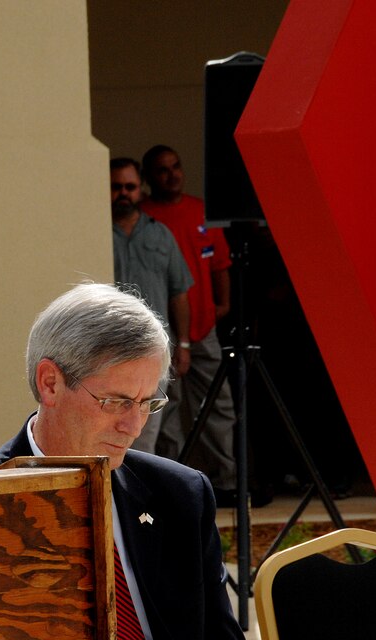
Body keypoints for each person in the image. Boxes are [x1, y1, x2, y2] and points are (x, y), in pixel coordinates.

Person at [0, 283, 295, 640]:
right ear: (50, 383)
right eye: (117, 401)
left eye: (149, 402)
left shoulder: (180, 494)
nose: (135, 425)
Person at [139, 144, 238, 505]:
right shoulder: (144, 218)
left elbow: (220, 265)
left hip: (204, 329)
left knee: (219, 405)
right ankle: (169, 483)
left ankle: (226, 481)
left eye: (176, 166)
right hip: (159, 335)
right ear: (149, 177)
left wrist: (223, 304)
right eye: (162, 170)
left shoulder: (201, 212)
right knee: (163, 410)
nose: (172, 174)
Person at [109, 157, 192, 454]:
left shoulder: (161, 234)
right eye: (116, 187)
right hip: (109, 349)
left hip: (157, 350)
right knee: (120, 428)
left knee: (159, 429)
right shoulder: (96, 233)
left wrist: (183, 344)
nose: (123, 193)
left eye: (130, 187)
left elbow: (179, 292)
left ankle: (162, 495)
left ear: (141, 189)